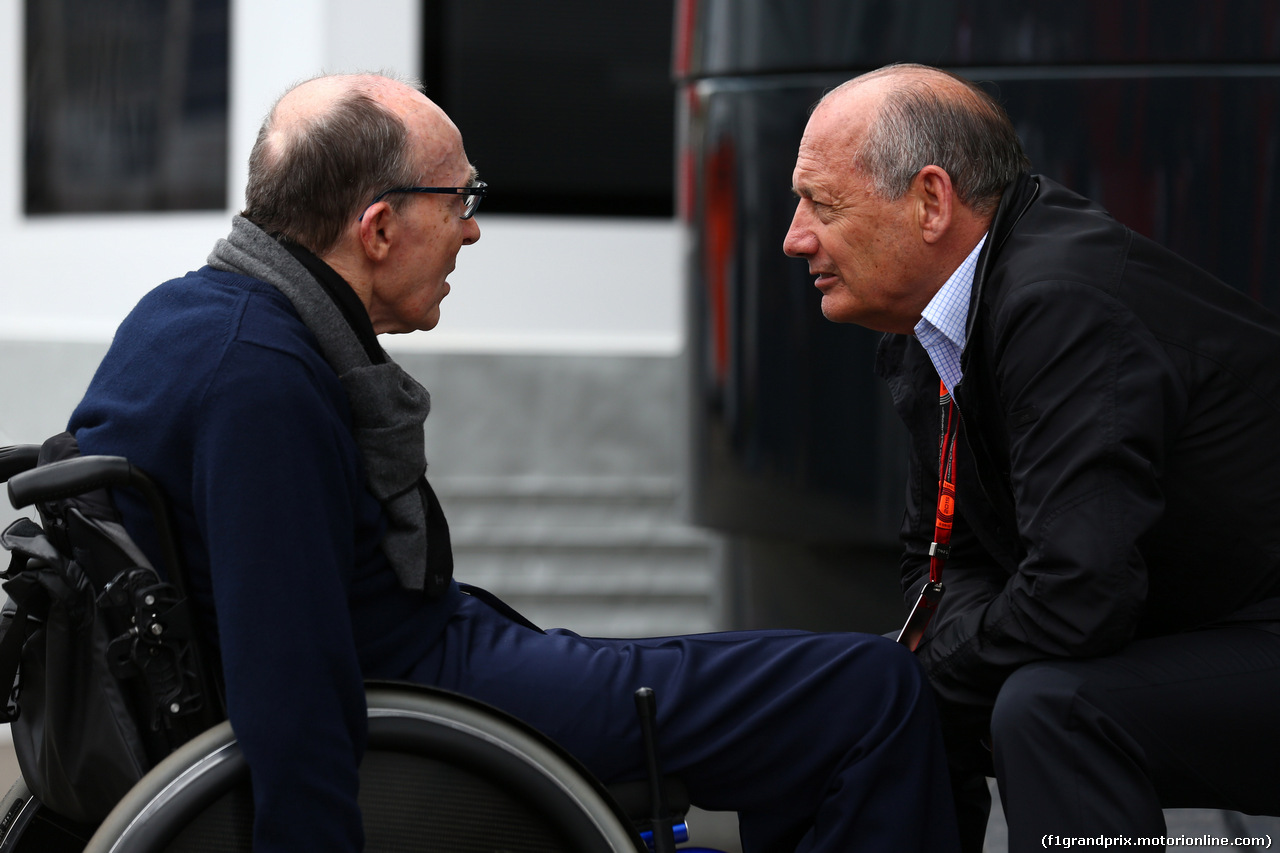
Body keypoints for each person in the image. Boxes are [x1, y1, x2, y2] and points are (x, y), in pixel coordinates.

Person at [67, 72, 959, 853]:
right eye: (460, 200)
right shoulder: (257, 379)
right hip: (432, 697)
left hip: (443, 660)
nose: (471, 232)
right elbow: (289, 681)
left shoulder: (188, 316)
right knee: (870, 690)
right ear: (378, 228)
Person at [783, 61, 1280, 852]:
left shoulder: (1061, 304)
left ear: (932, 200)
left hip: (1251, 631)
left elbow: (1080, 595)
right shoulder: (933, 316)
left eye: (823, 204)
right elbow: (938, 561)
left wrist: (921, 667)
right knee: (864, 696)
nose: (794, 237)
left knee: (1051, 706)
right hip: (1198, 628)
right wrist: (910, 671)